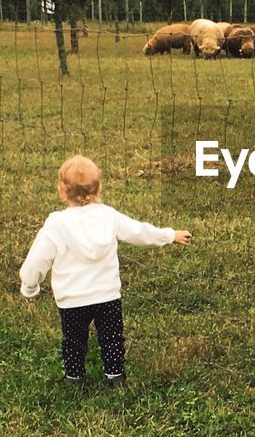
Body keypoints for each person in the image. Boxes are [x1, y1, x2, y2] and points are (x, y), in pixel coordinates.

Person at [20, 154, 191, 389]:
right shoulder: (108, 216)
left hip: (72, 299)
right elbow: (139, 232)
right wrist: (169, 235)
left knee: (74, 341)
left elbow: (38, 258)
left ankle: (75, 377)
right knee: (111, 338)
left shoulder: (56, 224)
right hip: (107, 296)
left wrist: (30, 285)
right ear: (99, 188)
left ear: (61, 190)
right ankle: (115, 375)